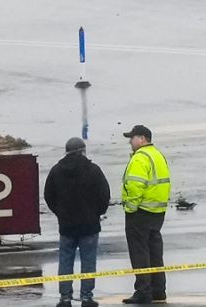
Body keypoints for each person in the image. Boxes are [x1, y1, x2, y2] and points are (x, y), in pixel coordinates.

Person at [44, 137, 110, 307]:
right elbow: (104, 195)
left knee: (65, 261)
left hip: (66, 225)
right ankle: (86, 297)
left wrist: (60, 213)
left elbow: (48, 196)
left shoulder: (56, 171)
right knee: (88, 261)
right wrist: (97, 213)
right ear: (83, 150)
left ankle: (65, 297)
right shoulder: (94, 170)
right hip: (89, 224)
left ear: (66, 151)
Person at [121, 125, 171, 304]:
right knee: (155, 251)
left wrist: (130, 208)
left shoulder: (140, 158)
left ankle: (143, 291)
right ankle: (159, 290)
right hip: (157, 211)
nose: (130, 142)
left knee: (139, 252)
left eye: (132, 138)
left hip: (140, 212)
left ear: (142, 138)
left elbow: (136, 186)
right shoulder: (158, 155)